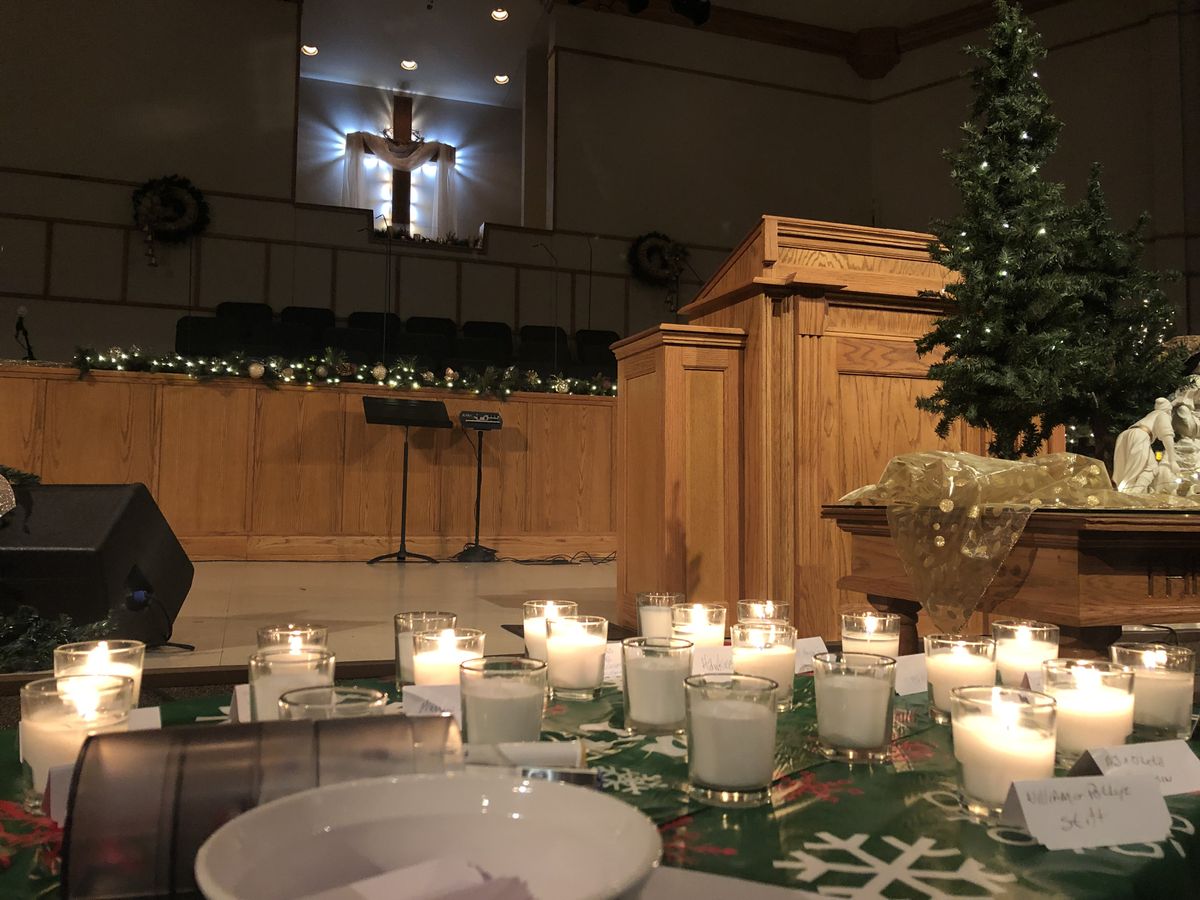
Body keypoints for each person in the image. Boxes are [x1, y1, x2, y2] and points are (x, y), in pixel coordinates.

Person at [1112, 398, 1178, 492]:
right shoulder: (1163, 414)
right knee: (1149, 468)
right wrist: (1172, 460)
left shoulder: (1150, 416)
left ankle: (1129, 492)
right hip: (1140, 435)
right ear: (1168, 410)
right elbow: (1167, 436)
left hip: (1124, 436)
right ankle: (1134, 493)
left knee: (1126, 472)